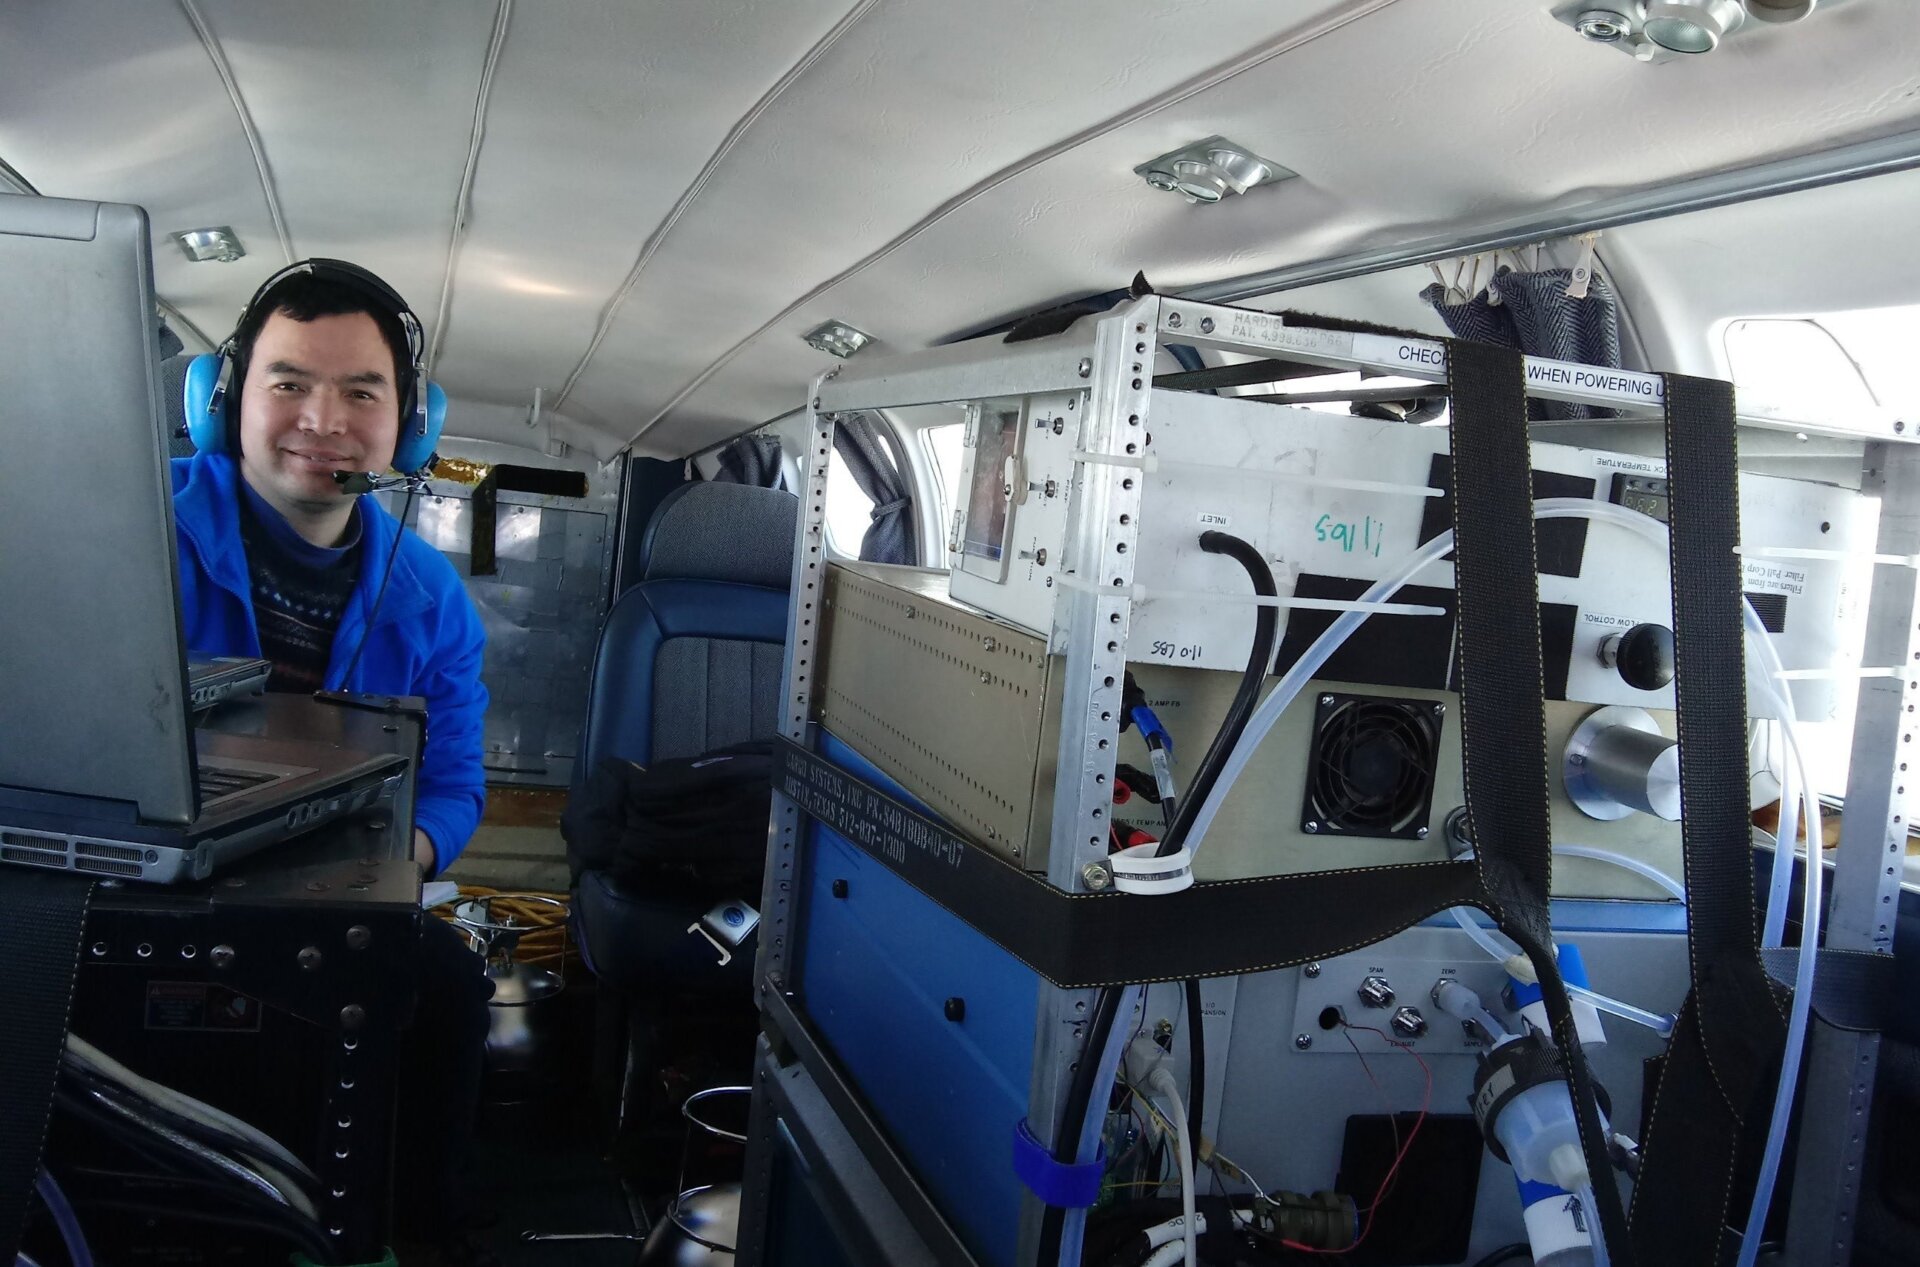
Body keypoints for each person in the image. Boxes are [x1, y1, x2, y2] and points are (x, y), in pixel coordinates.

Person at [170, 260, 496, 1262]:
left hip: (338, 900)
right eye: (289, 382)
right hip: (137, 886)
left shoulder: (433, 598)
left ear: (413, 424)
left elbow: (453, 787)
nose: (326, 417)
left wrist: (398, 864)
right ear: (223, 404)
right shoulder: (129, 526)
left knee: (445, 987)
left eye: (363, 391)